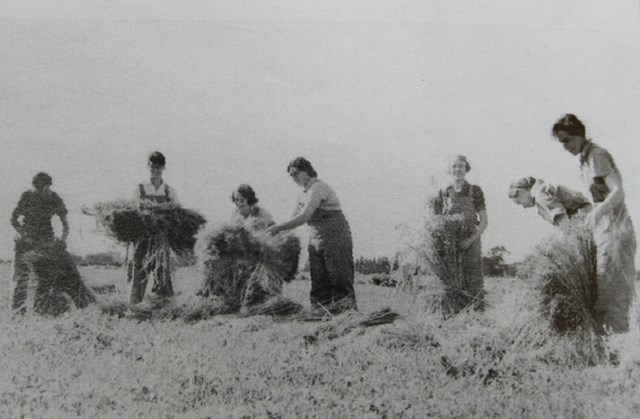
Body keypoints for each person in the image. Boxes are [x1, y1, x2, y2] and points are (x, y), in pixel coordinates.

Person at [551, 114, 636, 333]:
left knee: (612, 293)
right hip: (605, 229)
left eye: (567, 140)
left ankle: (618, 353)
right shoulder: (585, 159)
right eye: (561, 143)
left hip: (615, 228)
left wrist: (597, 213)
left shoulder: (596, 155)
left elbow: (618, 192)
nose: (565, 146)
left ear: (579, 135)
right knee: (604, 291)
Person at [266, 157, 356, 314]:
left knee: (339, 277)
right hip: (316, 239)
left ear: (306, 171)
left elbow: (304, 216)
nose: (293, 178)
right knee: (318, 279)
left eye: (296, 174)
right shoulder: (303, 194)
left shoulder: (318, 188)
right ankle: (320, 315)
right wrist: (274, 232)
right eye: (291, 175)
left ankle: (346, 316)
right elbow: (293, 217)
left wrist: (279, 228)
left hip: (335, 236)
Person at [11, 172, 94, 314]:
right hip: (28, 241)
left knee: (61, 272)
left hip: (47, 240)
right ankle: (17, 312)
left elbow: (65, 224)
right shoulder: (27, 196)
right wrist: (23, 234)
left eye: (45, 187)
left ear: (48, 186)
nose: (43, 190)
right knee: (21, 278)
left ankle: (56, 307)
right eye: (39, 188)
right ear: (35, 187)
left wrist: (62, 239)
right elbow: (14, 219)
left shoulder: (54, 198)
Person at [432, 155, 488, 311]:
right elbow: (436, 220)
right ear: (449, 169)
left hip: (471, 240)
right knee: (452, 282)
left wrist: (469, 241)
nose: (458, 169)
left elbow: (484, 221)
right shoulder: (443, 192)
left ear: (466, 168)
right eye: (454, 166)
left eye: (461, 166)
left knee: (474, 281)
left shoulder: (474, 190)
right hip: (450, 242)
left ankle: (478, 316)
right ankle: (454, 316)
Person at [129, 151, 179, 304]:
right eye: (152, 167)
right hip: (143, 236)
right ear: (148, 166)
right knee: (140, 268)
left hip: (161, 237)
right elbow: (134, 209)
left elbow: (176, 210)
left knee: (162, 269)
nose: (155, 170)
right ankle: (135, 305)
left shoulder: (169, 191)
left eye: (158, 167)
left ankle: (163, 304)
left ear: (163, 168)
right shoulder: (140, 188)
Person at [509, 177, 592, 225]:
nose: (524, 207)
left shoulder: (540, 196)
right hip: (586, 213)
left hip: (584, 218)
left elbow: (562, 220)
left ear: (521, 193)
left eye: (519, 203)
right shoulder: (542, 191)